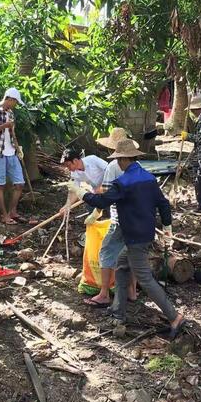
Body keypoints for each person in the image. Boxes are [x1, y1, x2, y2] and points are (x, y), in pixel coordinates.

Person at [67, 139, 185, 338]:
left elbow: (102, 201)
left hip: (135, 238)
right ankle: (118, 311)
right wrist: (167, 228)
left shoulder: (124, 183)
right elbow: (163, 204)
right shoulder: (148, 178)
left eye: (118, 160)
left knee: (145, 278)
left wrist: (80, 192)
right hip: (143, 232)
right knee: (122, 265)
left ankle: (174, 317)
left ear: (122, 160)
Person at [83, 128, 137, 307]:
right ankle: (132, 292)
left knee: (106, 252)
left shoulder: (114, 166)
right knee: (130, 254)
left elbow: (105, 197)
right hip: (135, 218)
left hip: (119, 219)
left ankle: (104, 293)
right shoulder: (137, 167)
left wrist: (95, 213)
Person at [0, 87, 26, 225]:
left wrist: (18, 148)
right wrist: (4, 125)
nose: (15, 105)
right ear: (9, 99)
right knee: (0, 185)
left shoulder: (11, 113)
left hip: (11, 152)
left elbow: (12, 134)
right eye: (15, 102)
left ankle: (12, 211)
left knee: (20, 183)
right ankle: (4, 215)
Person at [59, 149, 108, 214]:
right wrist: (67, 205)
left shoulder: (93, 159)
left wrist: (102, 186)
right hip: (96, 192)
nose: (68, 168)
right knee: (90, 208)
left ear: (75, 161)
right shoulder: (74, 174)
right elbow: (73, 191)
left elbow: (110, 171)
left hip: (109, 186)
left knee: (113, 209)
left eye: (68, 165)